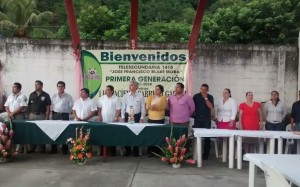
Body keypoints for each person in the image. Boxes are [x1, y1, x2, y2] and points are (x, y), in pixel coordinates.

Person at [121, 80, 145, 157]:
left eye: (131, 85)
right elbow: (123, 107)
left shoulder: (140, 95)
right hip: (128, 115)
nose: (130, 86)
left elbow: (142, 107)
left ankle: (135, 150)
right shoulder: (126, 96)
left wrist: (142, 118)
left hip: (137, 116)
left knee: (137, 133)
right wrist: (123, 117)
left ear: (136, 87)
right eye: (129, 85)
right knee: (127, 133)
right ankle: (127, 150)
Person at [27, 80, 51, 153]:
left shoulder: (46, 95)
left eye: (37, 85)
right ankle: (32, 148)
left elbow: (48, 107)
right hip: (32, 115)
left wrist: (47, 116)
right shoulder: (32, 94)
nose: (35, 86)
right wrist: (28, 115)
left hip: (41, 115)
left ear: (41, 86)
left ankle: (41, 148)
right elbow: (29, 105)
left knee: (41, 131)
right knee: (32, 132)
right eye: (35, 85)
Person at [50, 81, 73, 154]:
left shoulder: (68, 96)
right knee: (54, 132)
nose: (60, 87)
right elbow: (51, 106)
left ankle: (64, 149)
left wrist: (66, 113)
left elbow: (71, 107)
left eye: (61, 86)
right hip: (55, 115)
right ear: (57, 87)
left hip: (64, 115)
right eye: (58, 86)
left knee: (64, 132)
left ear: (64, 87)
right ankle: (54, 149)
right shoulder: (53, 96)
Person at [97, 85, 121, 156]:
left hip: (112, 121)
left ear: (112, 91)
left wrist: (116, 117)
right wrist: (99, 116)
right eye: (105, 90)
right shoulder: (102, 98)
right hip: (103, 120)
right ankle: (102, 152)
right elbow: (99, 108)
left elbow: (118, 109)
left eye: (107, 90)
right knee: (102, 136)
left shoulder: (116, 99)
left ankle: (113, 152)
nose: (106, 91)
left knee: (112, 136)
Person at [193, 84, 214, 160]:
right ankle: (196, 153)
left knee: (207, 138)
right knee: (196, 136)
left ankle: (206, 154)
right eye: (201, 89)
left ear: (207, 90)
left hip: (206, 119)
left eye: (205, 89)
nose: (203, 91)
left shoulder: (210, 97)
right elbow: (193, 107)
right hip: (198, 119)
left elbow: (211, 107)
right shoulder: (196, 96)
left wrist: (206, 98)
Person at [146, 84, 167, 156]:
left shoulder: (163, 98)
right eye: (155, 89)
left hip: (160, 119)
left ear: (161, 91)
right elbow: (147, 106)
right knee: (150, 135)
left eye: (158, 89)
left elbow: (163, 107)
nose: (156, 90)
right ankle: (150, 151)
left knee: (158, 135)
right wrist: (151, 107)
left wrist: (154, 107)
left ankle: (158, 152)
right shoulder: (150, 97)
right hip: (151, 118)